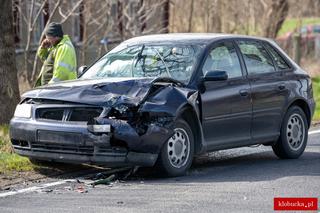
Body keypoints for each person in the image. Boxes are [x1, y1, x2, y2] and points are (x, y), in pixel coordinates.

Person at [35, 22, 77, 87]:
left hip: (56, 89)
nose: (47, 40)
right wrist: (43, 48)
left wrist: (50, 86)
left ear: (56, 37)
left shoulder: (64, 48)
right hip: (49, 88)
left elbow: (62, 73)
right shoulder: (55, 46)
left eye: (49, 38)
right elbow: (45, 59)